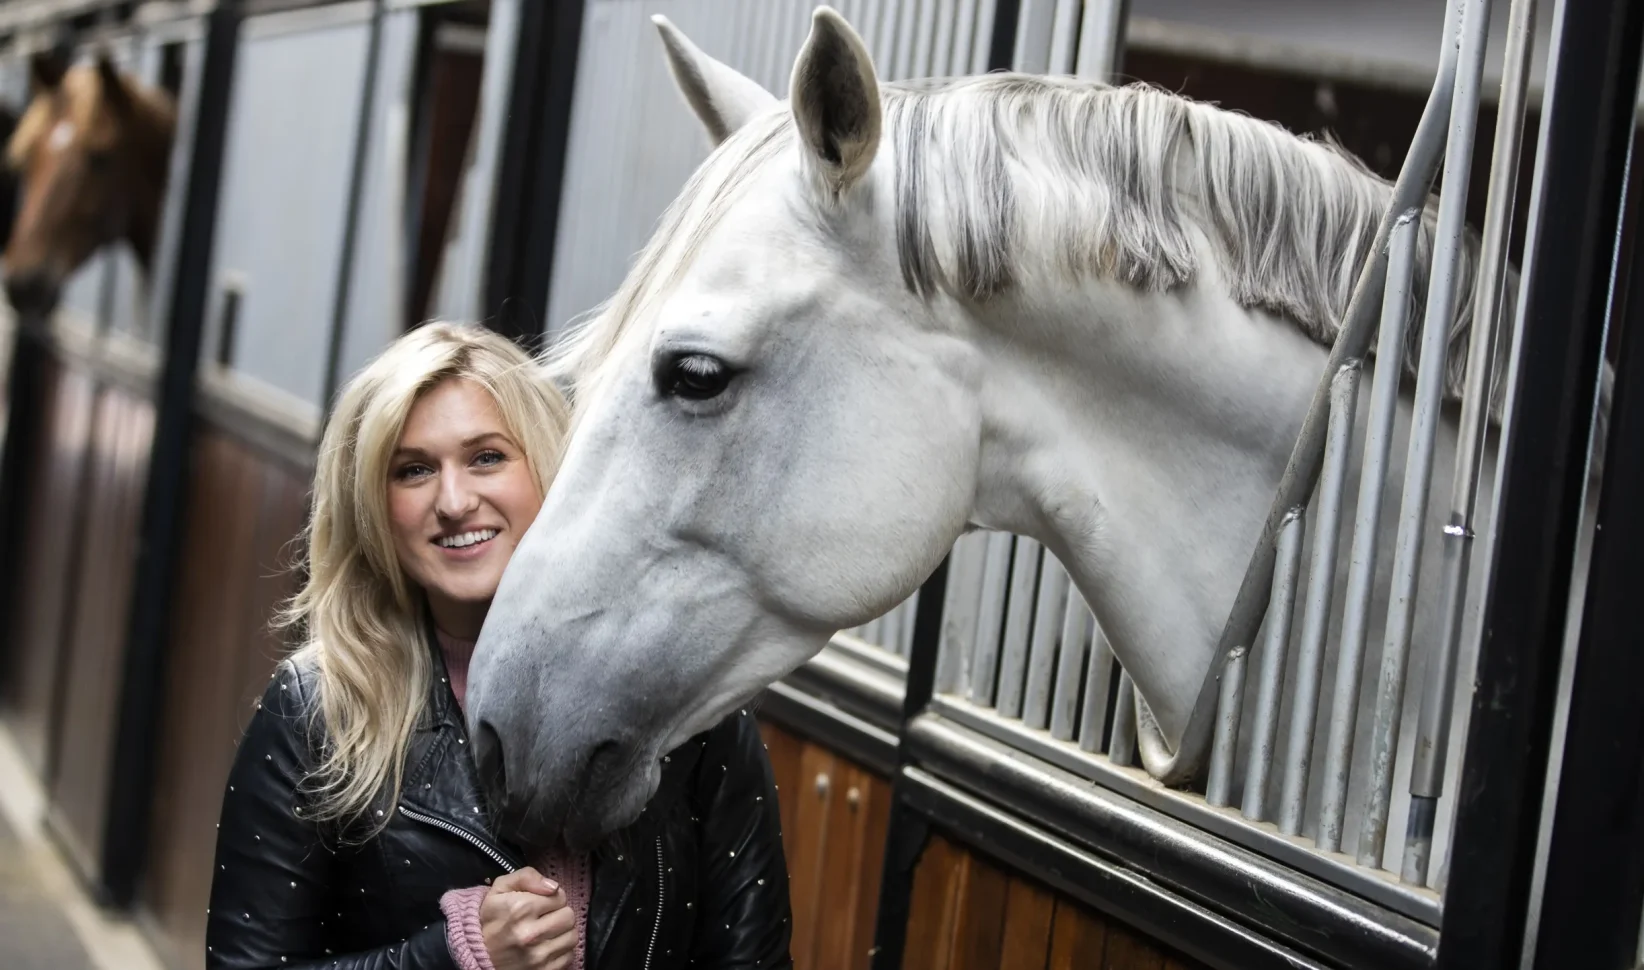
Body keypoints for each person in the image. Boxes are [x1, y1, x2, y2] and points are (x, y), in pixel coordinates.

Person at [205, 322, 793, 970]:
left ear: (549, 467)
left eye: (486, 457)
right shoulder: (317, 708)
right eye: (414, 470)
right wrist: (458, 955)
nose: (454, 501)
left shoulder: (688, 703)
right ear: (376, 504)